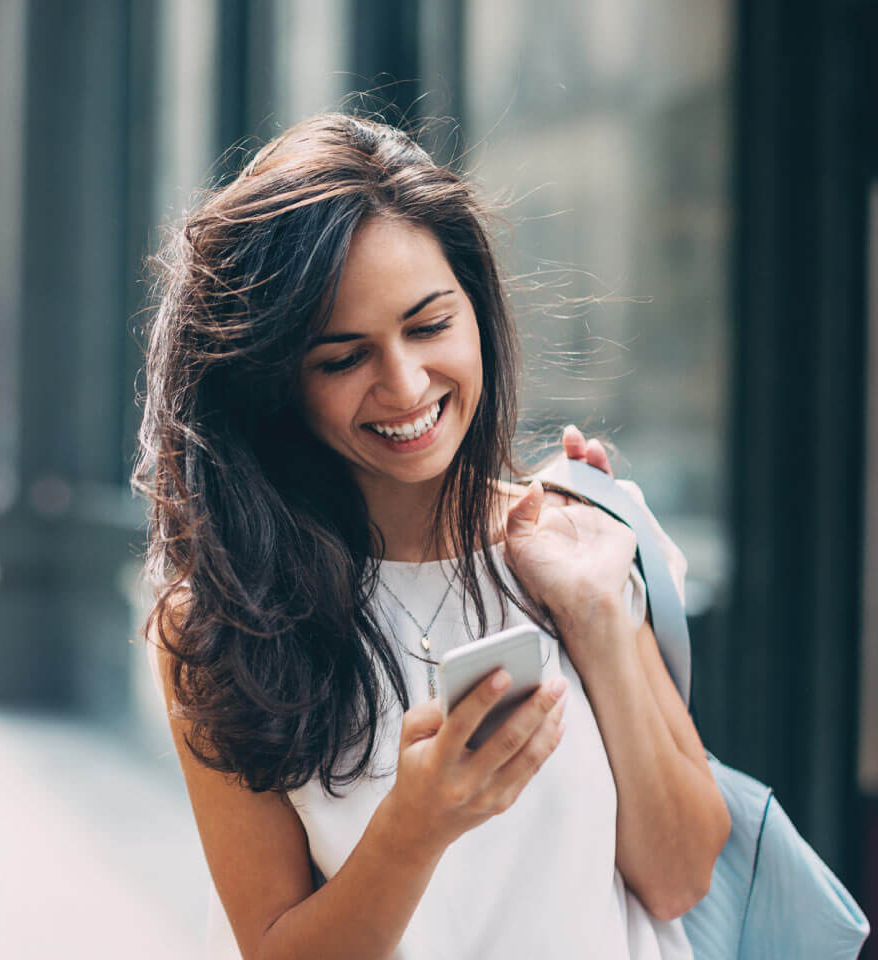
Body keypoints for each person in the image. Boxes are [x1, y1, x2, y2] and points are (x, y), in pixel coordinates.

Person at [132, 113, 730, 960]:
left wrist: (596, 616)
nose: (406, 385)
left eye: (428, 325)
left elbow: (680, 877)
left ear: (476, 309)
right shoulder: (219, 623)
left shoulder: (575, 539)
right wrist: (415, 827)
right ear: (276, 384)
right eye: (343, 358)